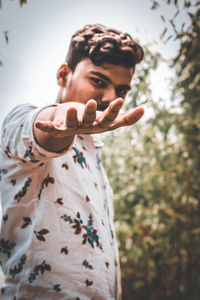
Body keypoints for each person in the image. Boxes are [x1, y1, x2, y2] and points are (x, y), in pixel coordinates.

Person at [0, 24, 144, 300]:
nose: (111, 98)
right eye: (99, 81)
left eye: (122, 90)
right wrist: (66, 115)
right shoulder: (25, 120)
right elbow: (45, 130)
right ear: (63, 74)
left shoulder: (94, 157)